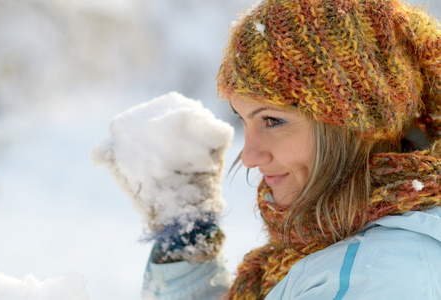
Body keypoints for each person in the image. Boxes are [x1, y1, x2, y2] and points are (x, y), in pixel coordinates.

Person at [96, 0, 441, 299]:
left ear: (357, 122)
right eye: (243, 120)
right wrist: (185, 240)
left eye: (272, 120)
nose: (248, 157)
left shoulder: (374, 277)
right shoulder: (342, 245)